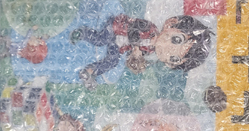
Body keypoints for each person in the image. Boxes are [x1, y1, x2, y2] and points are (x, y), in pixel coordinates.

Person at [71, 15, 211, 90]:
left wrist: (136, 60)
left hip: (118, 45)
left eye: (173, 58)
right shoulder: (150, 29)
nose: (168, 51)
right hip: (115, 28)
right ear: (170, 23)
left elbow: (133, 55)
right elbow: (133, 28)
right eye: (176, 40)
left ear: (170, 64)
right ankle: (82, 33)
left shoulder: (150, 50)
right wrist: (136, 47)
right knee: (101, 39)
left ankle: (89, 72)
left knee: (112, 61)